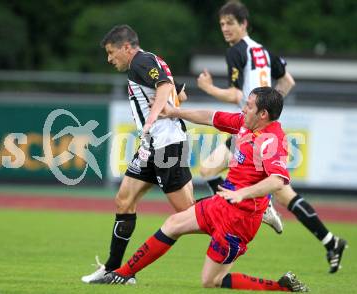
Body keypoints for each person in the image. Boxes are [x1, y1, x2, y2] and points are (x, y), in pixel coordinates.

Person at [92, 87, 309, 292]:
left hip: (240, 219)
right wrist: (173, 111)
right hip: (222, 203)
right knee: (173, 224)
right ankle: (122, 274)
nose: (244, 109)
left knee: (211, 281)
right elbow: (210, 117)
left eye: (249, 106)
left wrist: (243, 193)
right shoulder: (246, 123)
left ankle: (282, 286)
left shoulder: (271, 140)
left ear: (263, 114)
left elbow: (279, 180)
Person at [197, 0, 346, 273]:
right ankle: (330, 241)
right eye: (222, 24)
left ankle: (251, 207)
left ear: (243, 24)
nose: (225, 28)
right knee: (282, 192)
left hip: (251, 129)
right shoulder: (263, 51)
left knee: (211, 169)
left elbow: (234, 95)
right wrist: (272, 111)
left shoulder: (236, 52)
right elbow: (287, 82)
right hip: (263, 126)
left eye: (230, 23)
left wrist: (207, 87)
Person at [81, 24, 195, 284]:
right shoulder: (150, 61)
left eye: (111, 53)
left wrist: (151, 117)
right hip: (152, 146)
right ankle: (113, 269)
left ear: (126, 47)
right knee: (124, 200)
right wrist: (165, 104)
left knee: (189, 214)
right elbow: (181, 94)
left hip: (167, 144)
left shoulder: (140, 61)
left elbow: (165, 87)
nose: (110, 59)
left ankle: (241, 210)